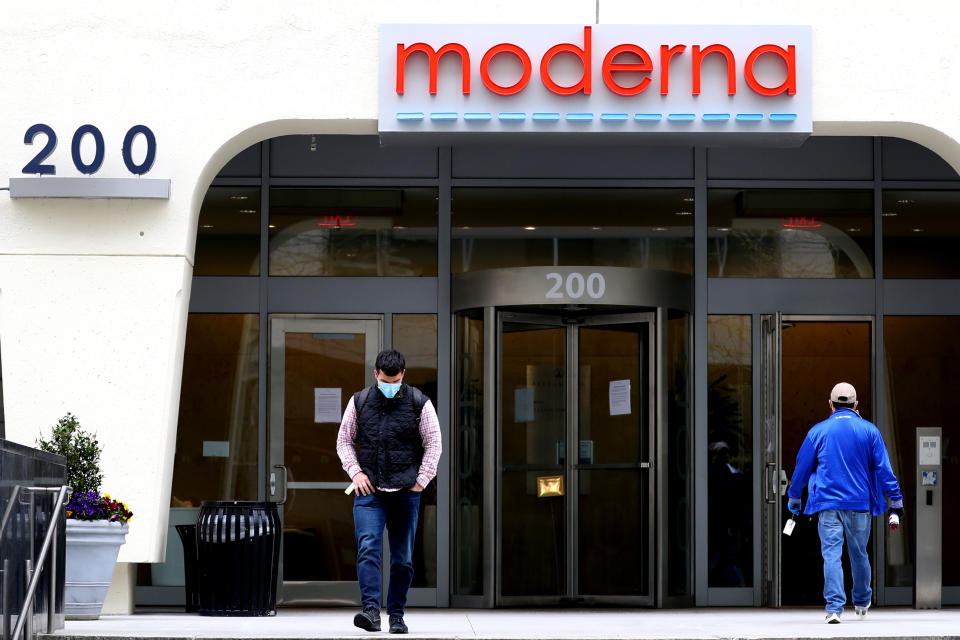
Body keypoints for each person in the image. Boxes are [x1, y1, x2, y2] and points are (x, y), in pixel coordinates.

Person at [336, 349, 441, 634]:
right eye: (385, 380)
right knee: (368, 548)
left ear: (403, 375)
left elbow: (434, 443)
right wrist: (355, 472)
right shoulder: (360, 401)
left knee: (403, 558)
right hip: (369, 492)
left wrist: (422, 480)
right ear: (375, 375)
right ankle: (371, 611)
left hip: (406, 493)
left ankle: (396, 614)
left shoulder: (420, 403)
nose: (390, 385)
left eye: (394, 380)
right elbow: (344, 440)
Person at [787, 382, 903, 624]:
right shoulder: (870, 431)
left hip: (828, 505)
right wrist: (896, 502)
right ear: (856, 405)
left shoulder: (817, 431)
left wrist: (795, 496)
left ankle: (834, 609)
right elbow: (884, 470)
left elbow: (801, 468)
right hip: (860, 505)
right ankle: (861, 602)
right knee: (859, 554)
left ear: (830, 405)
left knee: (831, 555)